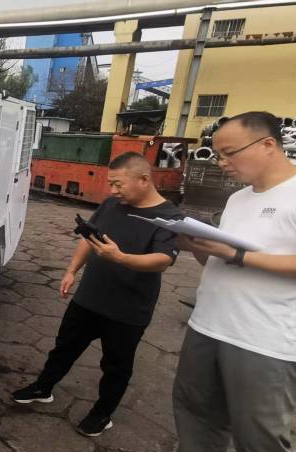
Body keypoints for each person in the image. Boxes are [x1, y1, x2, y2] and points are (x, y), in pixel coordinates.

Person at [11, 152, 183, 437]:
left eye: (118, 184)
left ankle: (103, 413)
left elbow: (163, 260)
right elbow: (90, 238)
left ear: (143, 179)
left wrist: (120, 258)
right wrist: (71, 270)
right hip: (89, 298)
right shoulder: (112, 204)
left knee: (116, 365)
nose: (112, 191)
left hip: (128, 309)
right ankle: (43, 387)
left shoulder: (170, 217)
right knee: (64, 347)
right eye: (110, 184)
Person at [173, 111, 296, 452]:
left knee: (261, 442)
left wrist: (238, 255)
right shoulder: (238, 199)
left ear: (268, 145)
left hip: (263, 341)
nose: (221, 162)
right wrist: (197, 246)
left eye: (229, 153)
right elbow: (221, 260)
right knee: (195, 422)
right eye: (217, 154)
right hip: (207, 326)